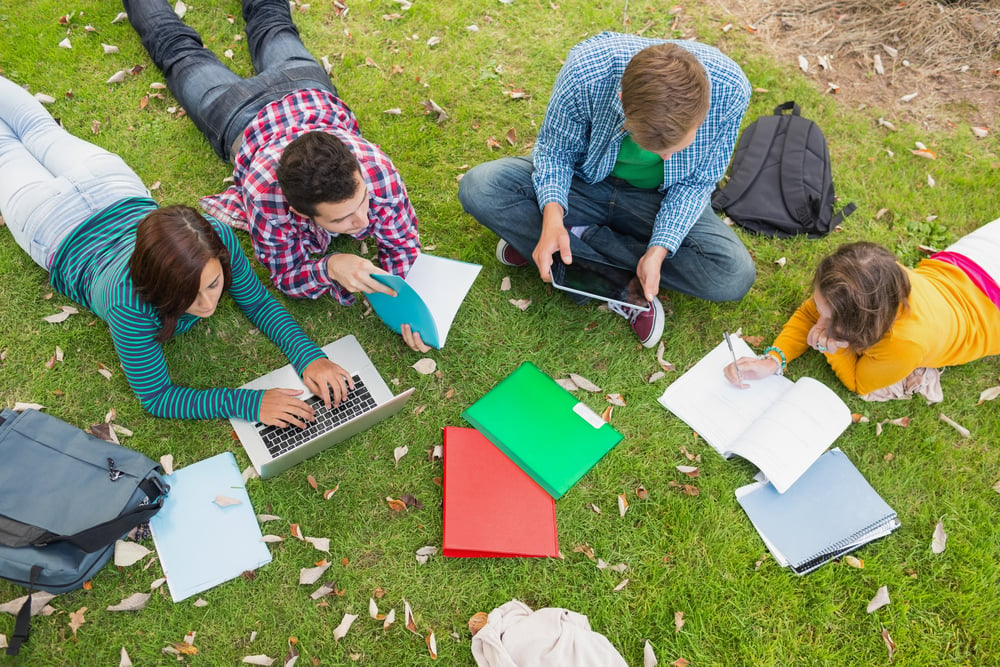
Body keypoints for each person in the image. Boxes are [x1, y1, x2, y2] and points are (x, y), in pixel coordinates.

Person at [0, 74, 356, 427]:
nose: (207, 305)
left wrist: (309, 357)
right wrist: (251, 401)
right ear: (155, 284)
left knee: (39, 128)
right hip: (48, 220)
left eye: (213, 285)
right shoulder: (128, 303)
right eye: (186, 294)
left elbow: (257, 300)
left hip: (109, 185)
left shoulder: (213, 233)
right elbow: (157, 397)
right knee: (7, 145)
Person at [122, 0, 429, 351]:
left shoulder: (375, 169)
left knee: (271, 17)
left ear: (358, 173)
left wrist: (405, 304)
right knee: (175, 49)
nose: (364, 221)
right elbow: (286, 276)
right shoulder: (265, 198)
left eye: (363, 201)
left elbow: (402, 244)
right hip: (237, 115)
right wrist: (330, 266)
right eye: (343, 218)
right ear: (299, 212)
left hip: (306, 88)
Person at [458, 32, 756, 348]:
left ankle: (570, 244)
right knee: (481, 187)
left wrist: (659, 250)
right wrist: (552, 213)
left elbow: (695, 183)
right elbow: (557, 150)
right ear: (622, 101)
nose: (668, 158)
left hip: (657, 200)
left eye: (678, 147)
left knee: (732, 274)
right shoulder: (588, 68)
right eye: (655, 147)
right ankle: (612, 278)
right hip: (584, 182)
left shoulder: (730, 91)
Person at [723, 227, 1000, 397]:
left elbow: (859, 382)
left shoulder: (904, 344)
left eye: (829, 319)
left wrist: (833, 348)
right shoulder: (875, 279)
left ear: (862, 326)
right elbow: (809, 313)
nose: (817, 320)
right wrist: (773, 359)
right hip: (972, 257)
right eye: (821, 307)